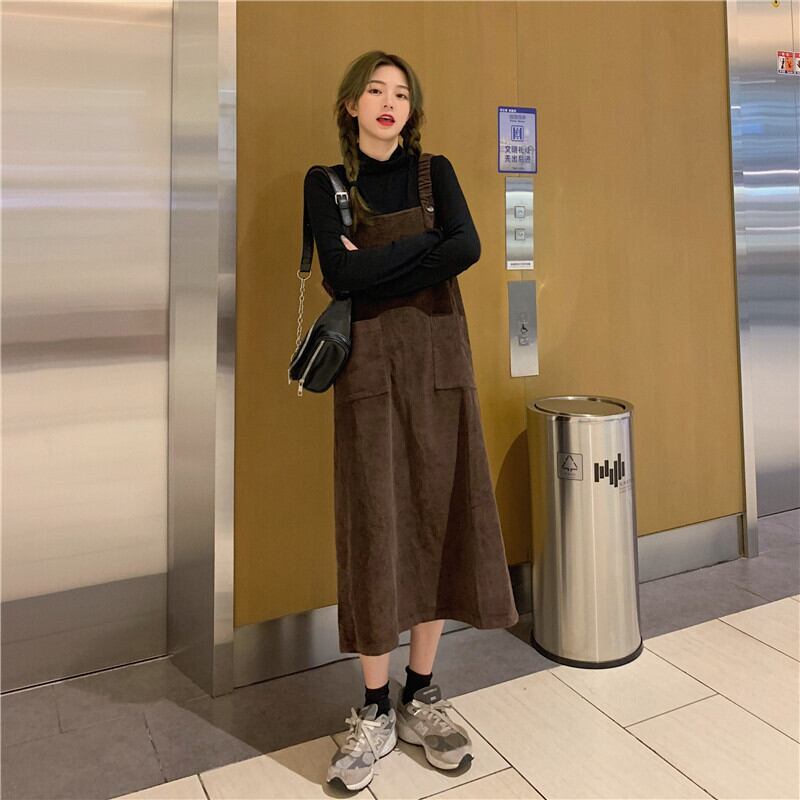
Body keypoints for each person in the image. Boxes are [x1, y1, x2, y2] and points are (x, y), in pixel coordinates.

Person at [303, 50, 519, 792]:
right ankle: (372, 708)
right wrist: (427, 250)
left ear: (411, 110)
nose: (388, 102)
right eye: (374, 90)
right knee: (375, 525)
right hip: (368, 378)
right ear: (351, 105)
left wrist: (382, 263)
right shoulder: (326, 185)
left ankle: (419, 693)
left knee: (438, 514)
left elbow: (469, 247)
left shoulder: (437, 173)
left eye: (400, 93)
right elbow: (340, 274)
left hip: (439, 371)